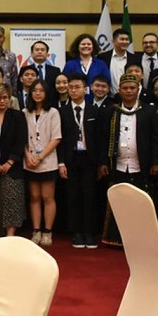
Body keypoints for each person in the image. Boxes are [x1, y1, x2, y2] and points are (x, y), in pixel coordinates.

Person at [99, 73, 158, 246]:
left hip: (141, 165)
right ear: (119, 90)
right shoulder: (111, 111)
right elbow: (103, 138)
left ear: (138, 90)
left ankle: (141, 239)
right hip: (118, 164)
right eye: (125, 88)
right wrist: (103, 162)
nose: (128, 91)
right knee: (120, 203)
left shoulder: (149, 111)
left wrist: (156, 162)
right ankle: (117, 238)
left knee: (141, 203)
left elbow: (156, 139)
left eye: (132, 88)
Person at [59, 73, 102, 249]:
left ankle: (89, 233)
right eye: (71, 87)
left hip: (89, 159)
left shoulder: (94, 111)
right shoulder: (61, 112)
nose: (73, 90)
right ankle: (76, 232)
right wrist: (61, 162)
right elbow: (59, 139)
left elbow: (100, 139)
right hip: (71, 159)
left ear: (86, 89)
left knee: (89, 196)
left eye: (77, 87)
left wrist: (101, 163)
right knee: (73, 196)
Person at [23, 79, 62, 247]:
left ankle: (47, 231)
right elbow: (21, 138)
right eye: (34, 90)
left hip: (47, 160)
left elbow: (56, 138)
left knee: (47, 197)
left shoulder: (53, 112)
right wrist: (28, 156)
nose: (37, 93)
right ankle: (36, 230)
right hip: (29, 160)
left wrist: (40, 157)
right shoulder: (25, 112)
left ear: (46, 93)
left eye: (41, 90)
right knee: (34, 197)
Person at [0, 84, 27, 237]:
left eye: (5, 97)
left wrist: (10, 162)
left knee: (12, 200)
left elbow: (21, 140)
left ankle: (10, 234)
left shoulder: (17, 116)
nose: (2, 101)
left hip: (13, 166)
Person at [98, 29, 140, 95]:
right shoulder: (103, 57)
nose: (125, 42)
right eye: (122, 39)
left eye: (127, 39)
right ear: (114, 41)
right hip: (108, 97)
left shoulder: (135, 59)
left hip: (129, 96)